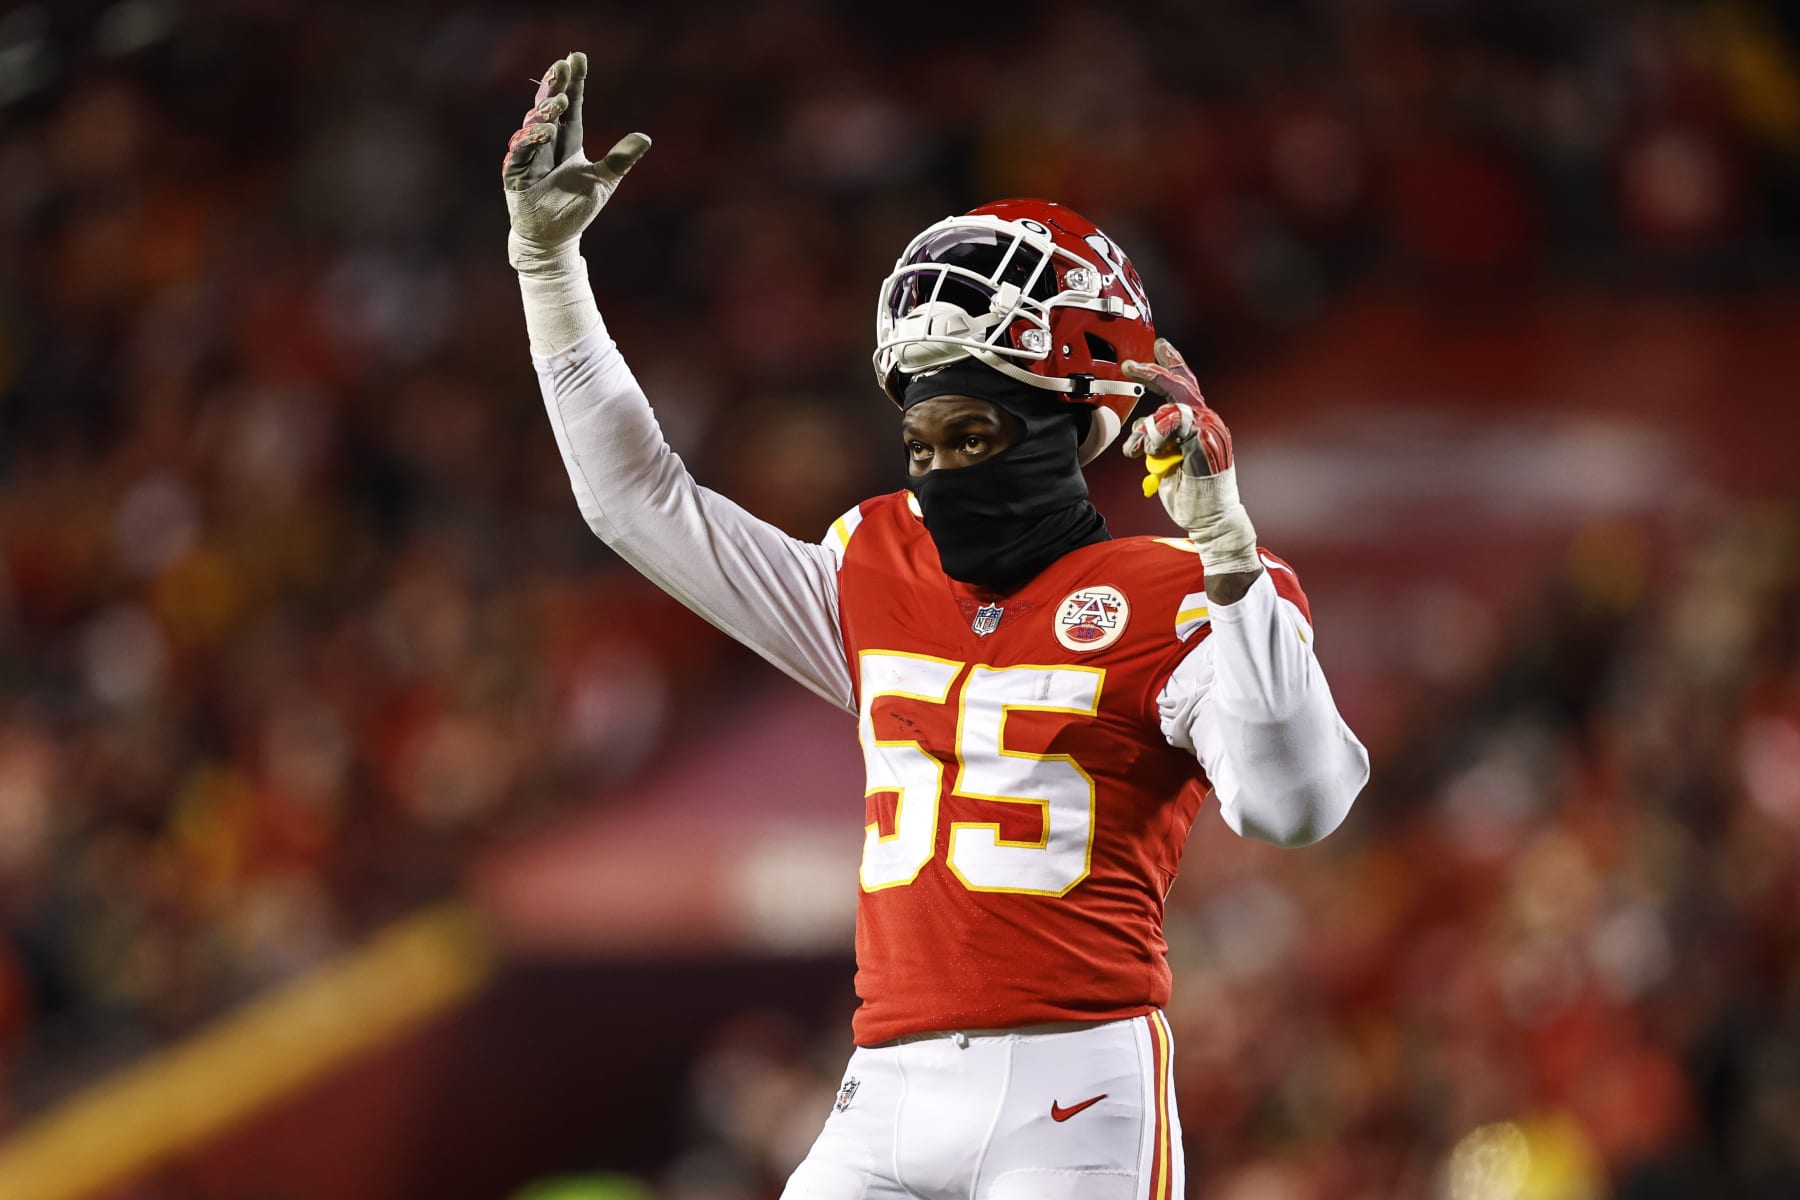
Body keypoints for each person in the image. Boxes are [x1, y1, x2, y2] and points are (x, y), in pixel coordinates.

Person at [503, 52, 1369, 1200]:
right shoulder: (876, 562)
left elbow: (1295, 804)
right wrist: (547, 264)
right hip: (883, 1090)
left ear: (1074, 429)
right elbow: (640, 503)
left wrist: (1226, 552)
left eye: (975, 438)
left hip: (1079, 1089)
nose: (941, 472)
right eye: (923, 442)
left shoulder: (1182, 590)